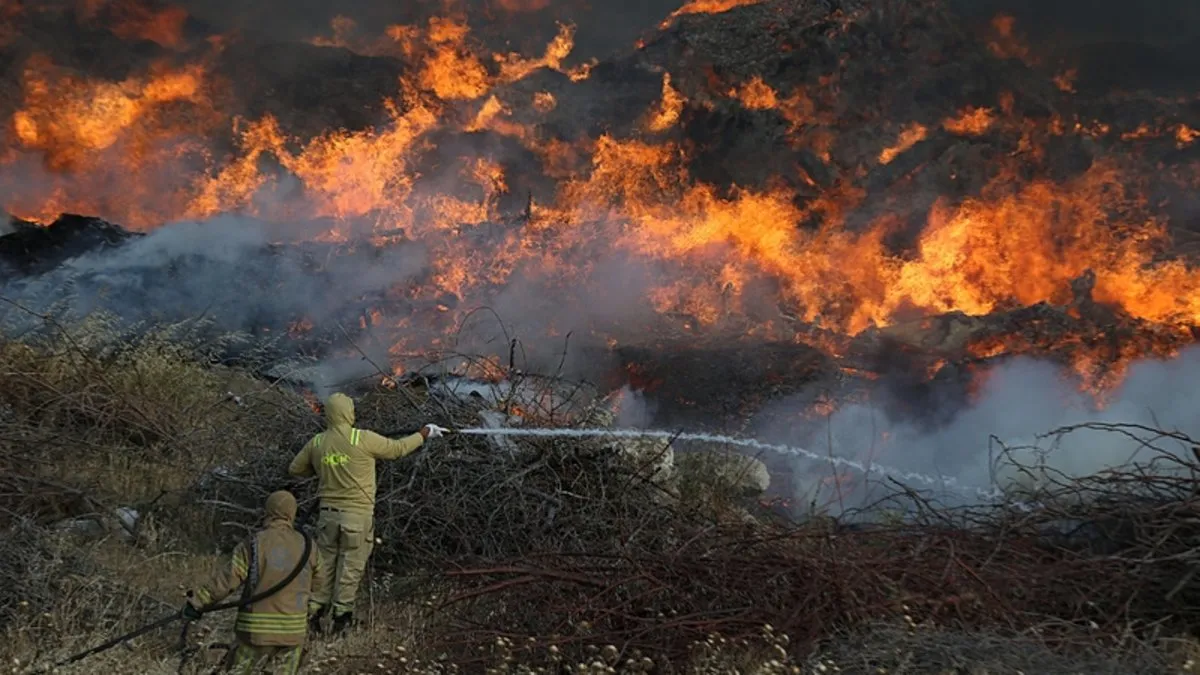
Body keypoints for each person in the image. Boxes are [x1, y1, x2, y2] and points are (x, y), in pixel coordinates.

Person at [287, 392, 445, 635]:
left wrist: (324, 470)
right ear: (349, 413)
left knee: (325, 565)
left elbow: (295, 469)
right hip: (356, 518)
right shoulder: (362, 438)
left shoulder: (317, 443)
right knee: (350, 568)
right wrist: (424, 434)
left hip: (327, 518)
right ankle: (341, 621)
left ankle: (313, 616)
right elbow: (398, 449)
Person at [184, 490, 317, 675]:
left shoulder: (254, 543)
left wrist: (197, 601)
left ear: (268, 511)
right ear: (292, 513)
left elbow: (226, 580)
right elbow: (320, 588)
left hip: (254, 634)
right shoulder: (309, 546)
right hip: (293, 635)